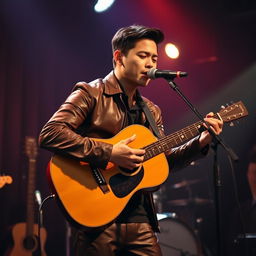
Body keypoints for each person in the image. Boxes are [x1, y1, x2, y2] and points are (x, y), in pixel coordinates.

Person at [39, 24, 223, 256]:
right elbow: (51, 133)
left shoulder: (152, 111)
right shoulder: (90, 93)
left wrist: (201, 141)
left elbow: (164, 162)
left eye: (155, 58)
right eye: (143, 56)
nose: (151, 64)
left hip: (140, 220)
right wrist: (109, 152)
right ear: (119, 57)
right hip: (97, 219)